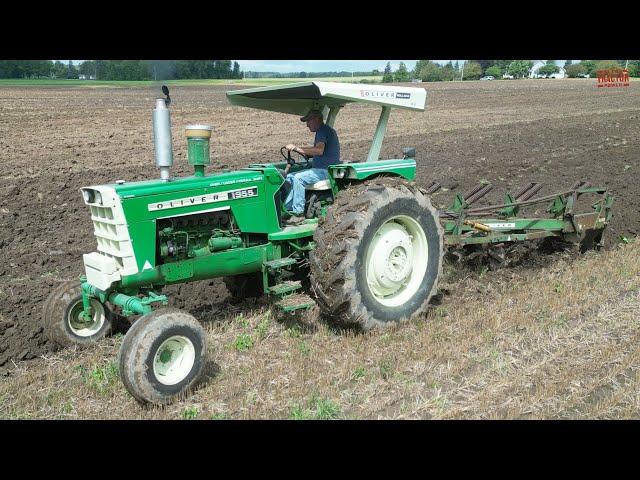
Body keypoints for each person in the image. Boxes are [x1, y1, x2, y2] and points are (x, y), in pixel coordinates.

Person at [283, 108, 340, 223]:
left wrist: (296, 148)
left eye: (309, 121)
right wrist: (303, 153)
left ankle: (298, 213)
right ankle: (288, 210)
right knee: (288, 177)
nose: (307, 125)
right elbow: (320, 153)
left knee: (298, 178)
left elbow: (319, 151)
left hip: (325, 171)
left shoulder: (323, 131)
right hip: (319, 169)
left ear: (317, 119)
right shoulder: (324, 131)